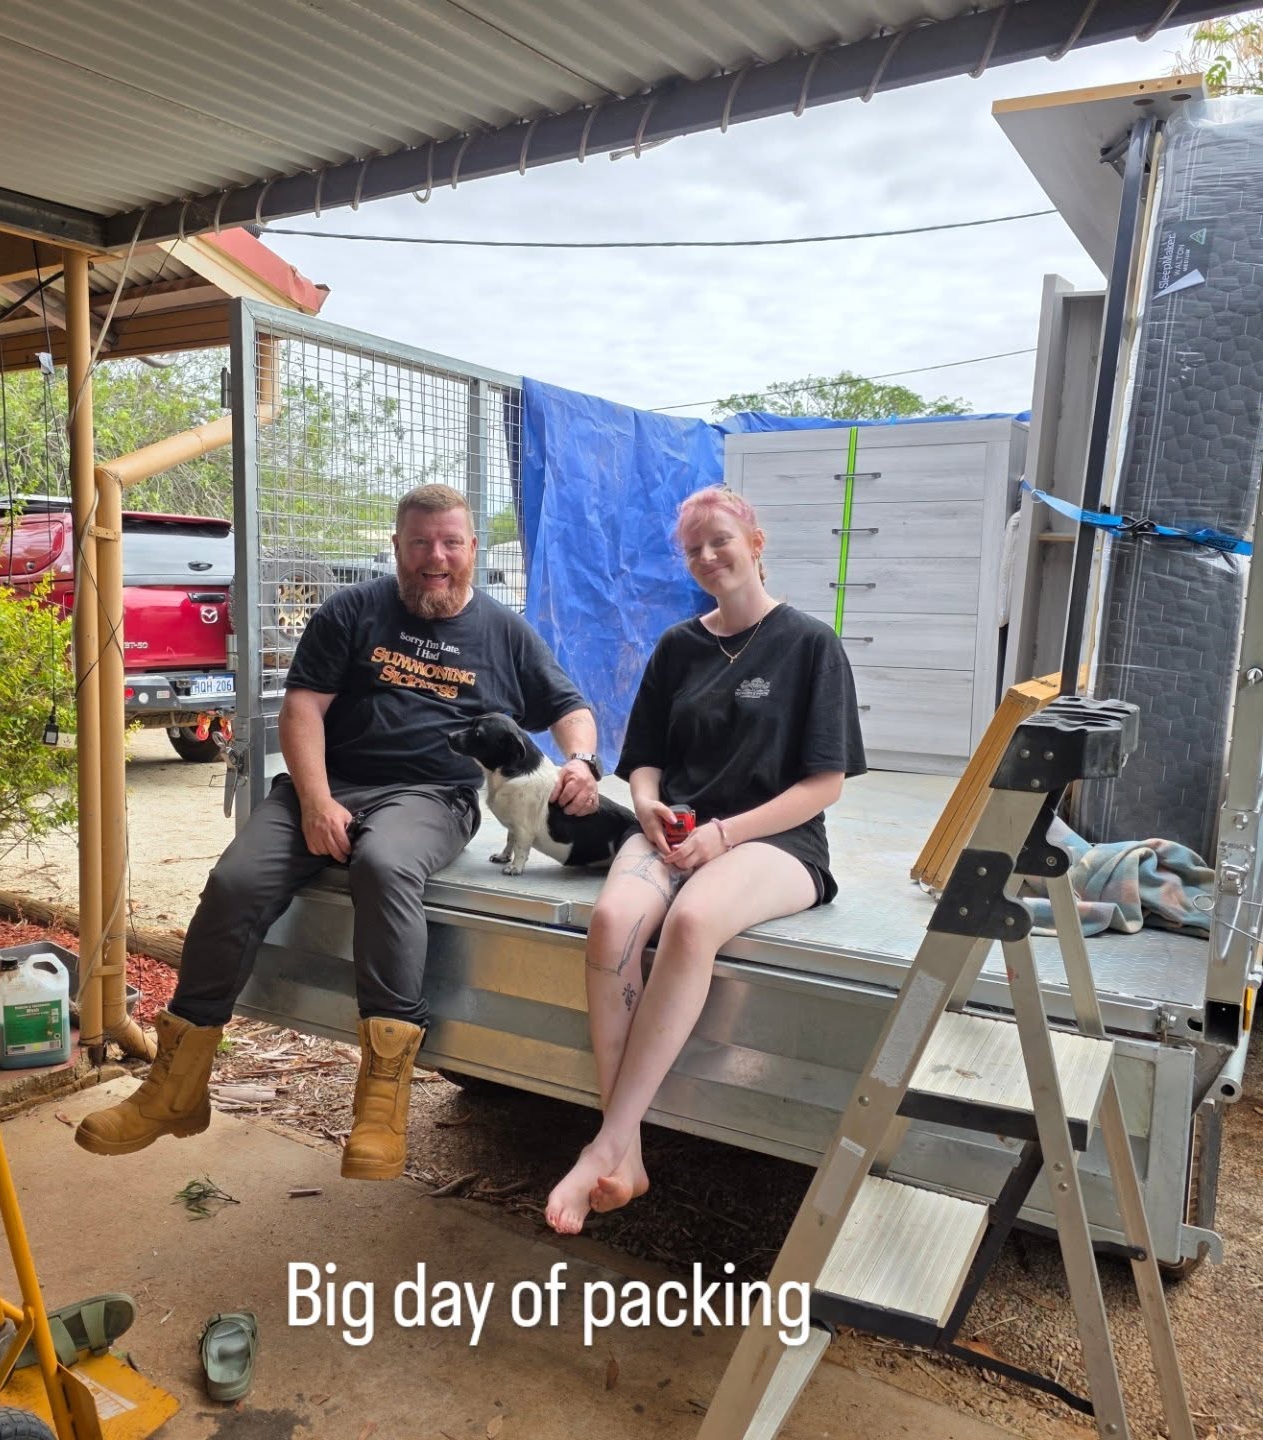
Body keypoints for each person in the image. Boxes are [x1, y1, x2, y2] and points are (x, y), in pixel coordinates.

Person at [77, 483, 604, 1180]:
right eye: (419, 544)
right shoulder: (352, 611)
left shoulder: (504, 633)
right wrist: (319, 804)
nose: (434, 559)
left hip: (431, 796)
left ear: (472, 550)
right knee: (236, 881)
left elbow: (571, 706)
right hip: (329, 785)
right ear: (396, 548)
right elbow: (303, 710)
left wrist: (583, 762)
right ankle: (176, 1089)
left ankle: (381, 1105)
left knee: (385, 867)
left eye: (450, 543)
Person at [545, 484, 866, 1234]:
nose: (708, 556)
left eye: (720, 538)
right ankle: (627, 1154)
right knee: (614, 920)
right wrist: (650, 804)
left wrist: (725, 835)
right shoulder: (678, 646)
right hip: (677, 830)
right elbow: (646, 761)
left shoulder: (810, 643)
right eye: (692, 548)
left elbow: (825, 785)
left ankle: (606, 1144)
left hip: (775, 841)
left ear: (756, 540)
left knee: (690, 924)